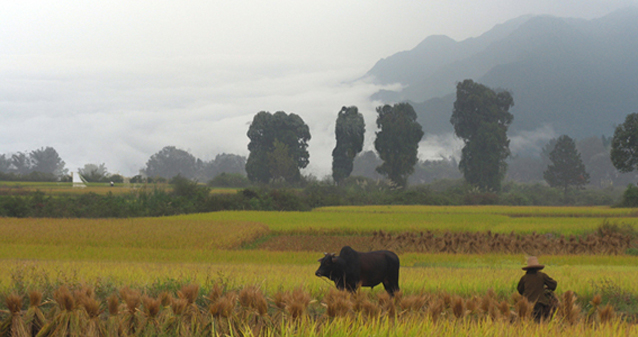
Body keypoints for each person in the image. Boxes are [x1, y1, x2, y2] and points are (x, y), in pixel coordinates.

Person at [517, 256, 557, 321]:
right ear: (537, 268)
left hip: (527, 304)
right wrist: (547, 288)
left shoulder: (524, 278)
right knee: (538, 323)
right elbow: (554, 285)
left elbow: (520, 290)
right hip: (539, 304)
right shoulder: (542, 276)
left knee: (527, 322)